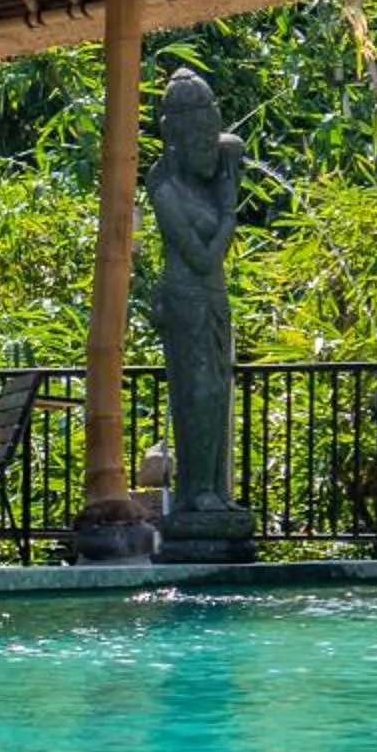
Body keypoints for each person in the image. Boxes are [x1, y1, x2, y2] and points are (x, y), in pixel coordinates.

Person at [145, 71, 246, 516]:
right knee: (198, 394)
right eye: (198, 146)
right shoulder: (166, 189)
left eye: (211, 142)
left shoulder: (211, 175)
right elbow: (203, 258)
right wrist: (229, 212)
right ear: (175, 145)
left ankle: (215, 491)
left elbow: (234, 144)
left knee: (219, 395)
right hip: (185, 298)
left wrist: (219, 150)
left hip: (214, 299)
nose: (209, 153)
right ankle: (196, 491)